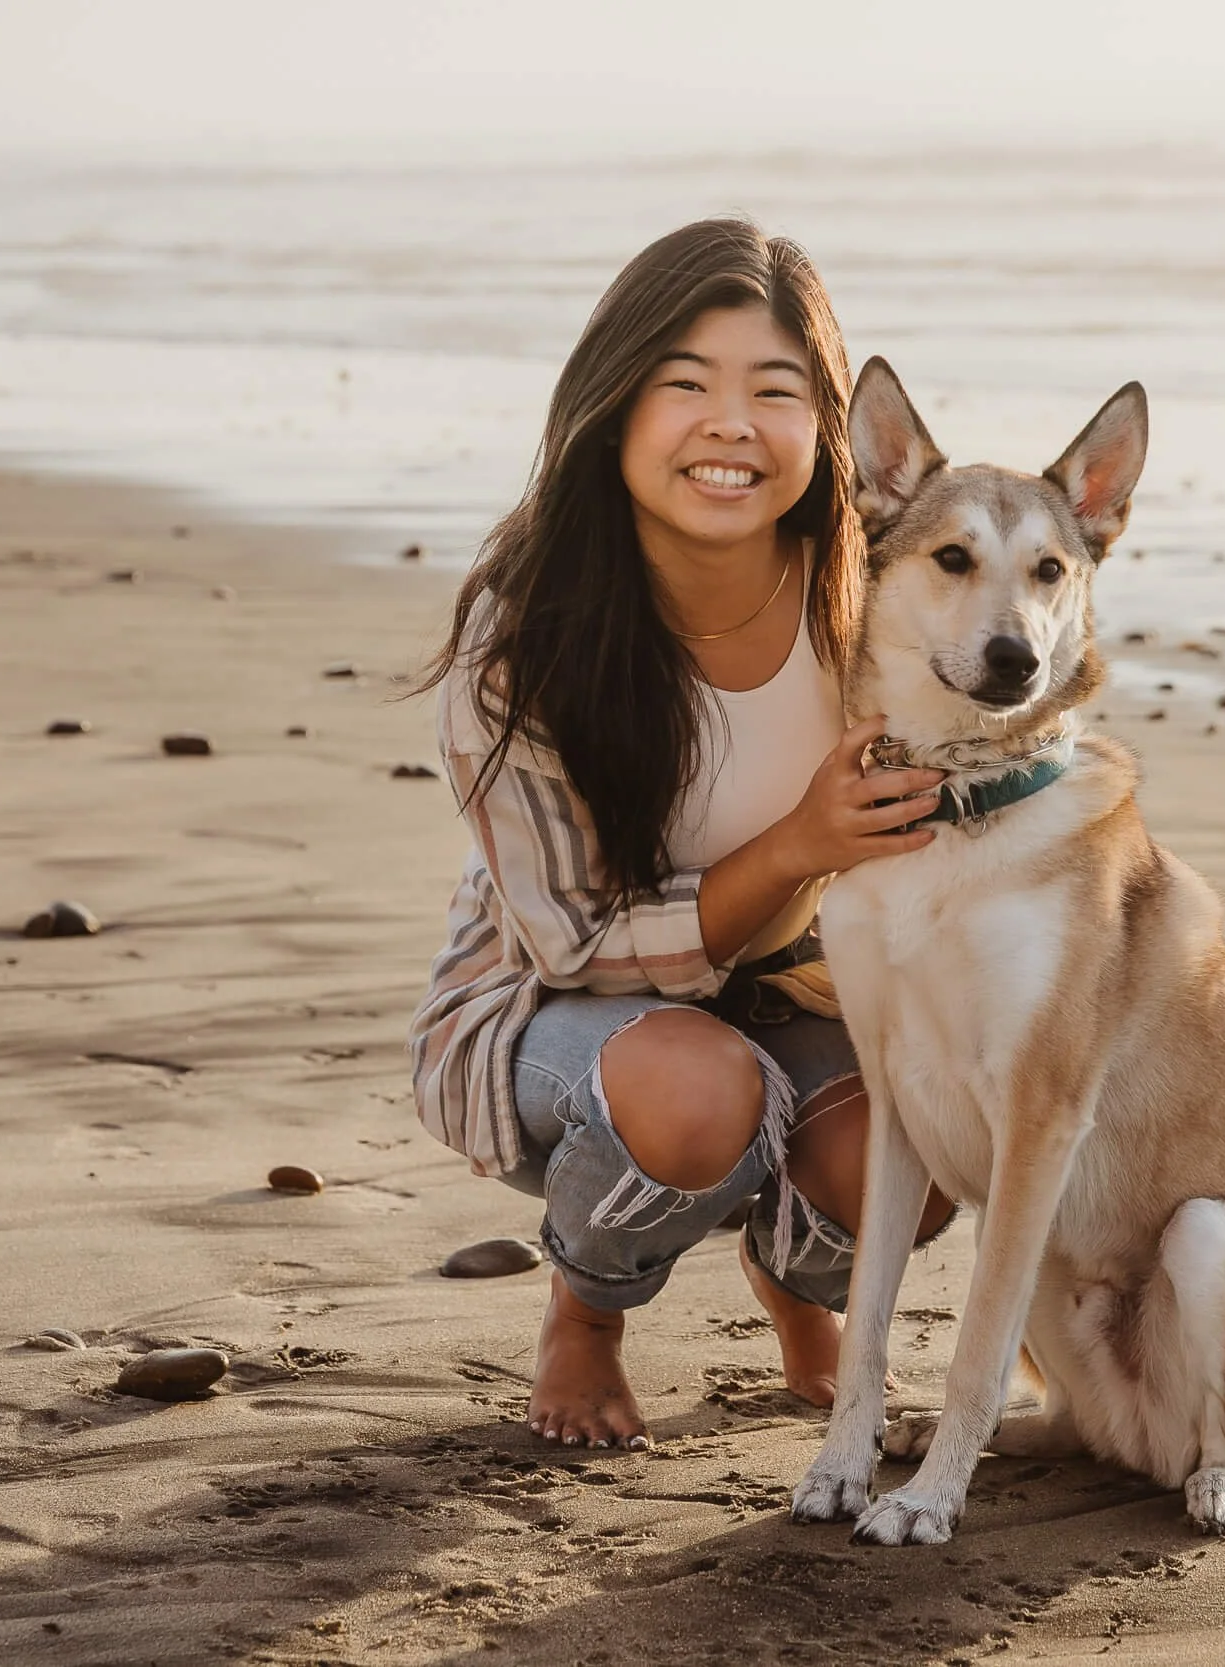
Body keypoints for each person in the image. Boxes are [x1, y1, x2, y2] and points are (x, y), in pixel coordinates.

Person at [410, 218, 955, 1452]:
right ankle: (586, 1310)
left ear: (826, 427)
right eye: (685, 385)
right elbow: (573, 946)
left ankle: (802, 1288)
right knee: (700, 1092)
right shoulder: (525, 637)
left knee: (914, 1135)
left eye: (775, 391)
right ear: (613, 406)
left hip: (806, 987)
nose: (731, 426)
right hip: (558, 1013)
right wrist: (801, 839)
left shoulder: (869, 591)